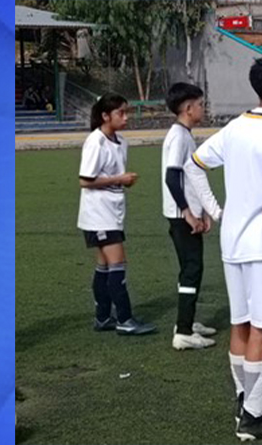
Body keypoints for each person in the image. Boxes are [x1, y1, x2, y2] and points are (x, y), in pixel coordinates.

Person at [184, 54, 262, 440]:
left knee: (241, 322)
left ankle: (243, 401)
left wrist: (217, 211)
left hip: (232, 241)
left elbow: (194, 164)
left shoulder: (236, 127)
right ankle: (253, 417)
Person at [78, 93, 156, 336]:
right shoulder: (96, 142)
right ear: (105, 116)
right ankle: (124, 318)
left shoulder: (121, 141)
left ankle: (103, 317)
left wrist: (121, 183)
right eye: (120, 113)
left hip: (113, 211)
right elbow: (85, 180)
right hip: (98, 214)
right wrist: (119, 179)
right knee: (117, 264)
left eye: (127, 112)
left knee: (104, 265)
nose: (125, 117)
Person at [161, 82, 217, 350]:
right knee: (192, 269)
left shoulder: (186, 134)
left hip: (190, 214)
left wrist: (202, 211)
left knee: (192, 268)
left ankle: (187, 321)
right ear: (187, 108)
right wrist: (187, 214)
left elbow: (191, 178)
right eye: (200, 104)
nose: (203, 108)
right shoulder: (178, 137)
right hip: (181, 216)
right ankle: (183, 331)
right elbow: (172, 177)